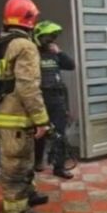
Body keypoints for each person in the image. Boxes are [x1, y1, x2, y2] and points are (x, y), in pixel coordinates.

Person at [0, 0, 50, 213]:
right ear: (30, 19)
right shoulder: (25, 45)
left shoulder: (0, 42)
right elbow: (28, 86)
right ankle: (16, 211)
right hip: (15, 116)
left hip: (3, 112)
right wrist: (41, 119)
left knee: (25, 157)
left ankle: (28, 194)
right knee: (15, 162)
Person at [32, 20, 75, 179]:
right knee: (39, 133)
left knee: (60, 134)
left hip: (57, 99)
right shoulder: (32, 54)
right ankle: (38, 161)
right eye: (48, 37)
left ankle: (59, 167)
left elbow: (71, 65)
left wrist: (59, 52)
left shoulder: (54, 53)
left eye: (52, 37)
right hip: (39, 98)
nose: (50, 40)